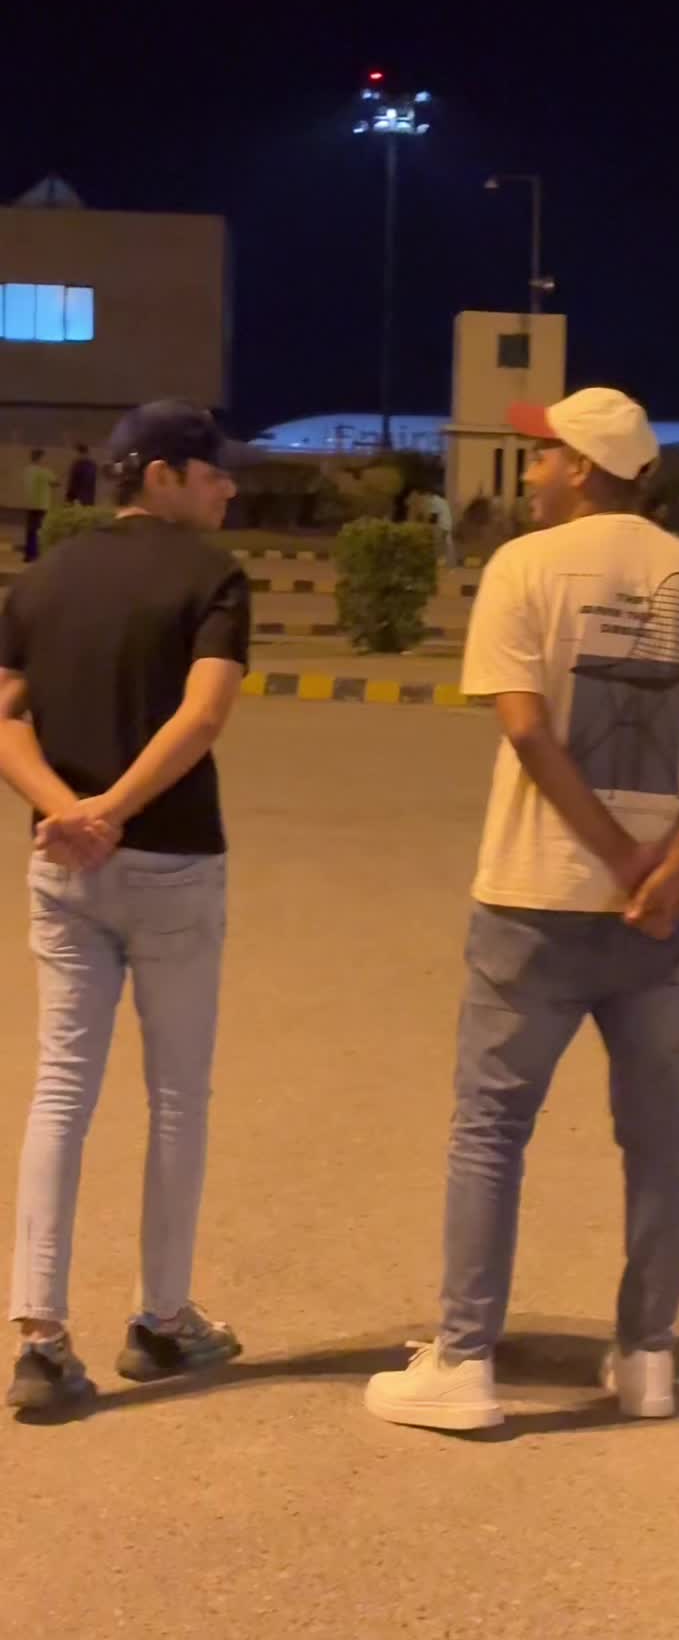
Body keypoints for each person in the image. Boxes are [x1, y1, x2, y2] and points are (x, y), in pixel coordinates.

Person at [365, 387, 679, 1433]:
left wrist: (618, 855)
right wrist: (669, 866)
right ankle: (647, 1357)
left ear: (584, 468)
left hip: (535, 898)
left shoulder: (525, 569)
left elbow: (527, 728)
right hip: (665, 918)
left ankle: (464, 1363)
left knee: (491, 1131)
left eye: (543, 455)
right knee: (660, 1138)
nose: (535, 471)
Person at [0, 401, 251, 1413]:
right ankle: (162, 1319)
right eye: (211, 471)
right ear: (160, 475)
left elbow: (5, 718)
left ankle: (39, 1337)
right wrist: (114, 810)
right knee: (177, 1096)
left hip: (64, 867)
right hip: (173, 862)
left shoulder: (42, 579)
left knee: (61, 1088)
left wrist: (67, 811)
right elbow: (205, 712)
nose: (226, 487)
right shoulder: (213, 578)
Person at [22, 450, 56, 563]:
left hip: (30, 503)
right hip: (42, 504)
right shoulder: (44, 471)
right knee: (40, 530)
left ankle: (29, 554)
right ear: (40, 458)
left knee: (30, 529)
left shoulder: (27, 470)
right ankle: (36, 554)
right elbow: (55, 483)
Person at [65, 442, 98, 508]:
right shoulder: (93, 465)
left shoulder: (78, 465)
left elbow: (73, 482)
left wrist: (69, 497)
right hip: (89, 498)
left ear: (79, 452)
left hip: (77, 498)